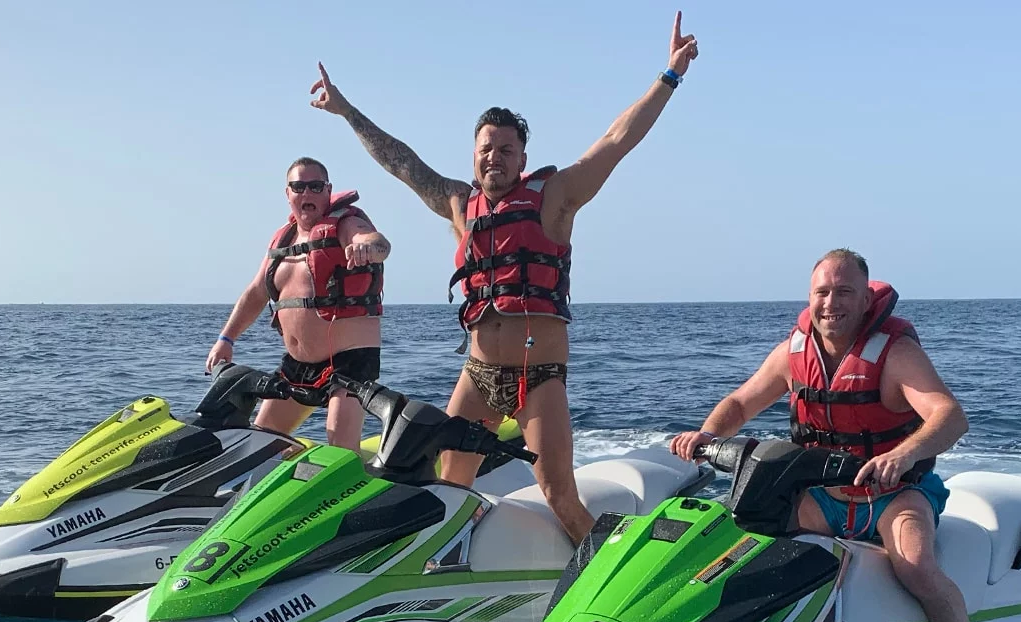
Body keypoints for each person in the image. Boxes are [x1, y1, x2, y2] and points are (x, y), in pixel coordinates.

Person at [308, 13, 700, 543]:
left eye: (506, 149)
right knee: (450, 483)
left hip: (537, 376)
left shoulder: (554, 199)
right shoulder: (458, 205)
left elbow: (616, 140)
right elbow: (401, 162)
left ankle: (603, 575)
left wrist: (669, 76)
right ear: (475, 154)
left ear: (522, 157)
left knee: (559, 493)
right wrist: (346, 110)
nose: (495, 157)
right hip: (478, 374)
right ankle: (455, 574)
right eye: (486, 148)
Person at [670, 249, 988, 622]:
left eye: (845, 292)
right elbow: (741, 403)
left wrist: (904, 454)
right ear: (809, 297)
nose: (830, 302)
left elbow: (950, 416)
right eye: (822, 292)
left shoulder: (895, 354)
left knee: (916, 568)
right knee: (741, 547)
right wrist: (706, 436)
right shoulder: (793, 353)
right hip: (822, 496)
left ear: (865, 301)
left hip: (893, 495)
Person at [205, 157, 391, 451]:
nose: (308, 194)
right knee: (261, 440)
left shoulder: (346, 223)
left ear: (328, 190)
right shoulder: (282, 240)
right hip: (298, 366)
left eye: (316, 187)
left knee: (340, 454)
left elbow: (378, 242)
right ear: (287, 193)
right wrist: (226, 339)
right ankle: (298, 456)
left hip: (348, 366)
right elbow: (256, 292)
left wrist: (367, 246)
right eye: (299, 186)